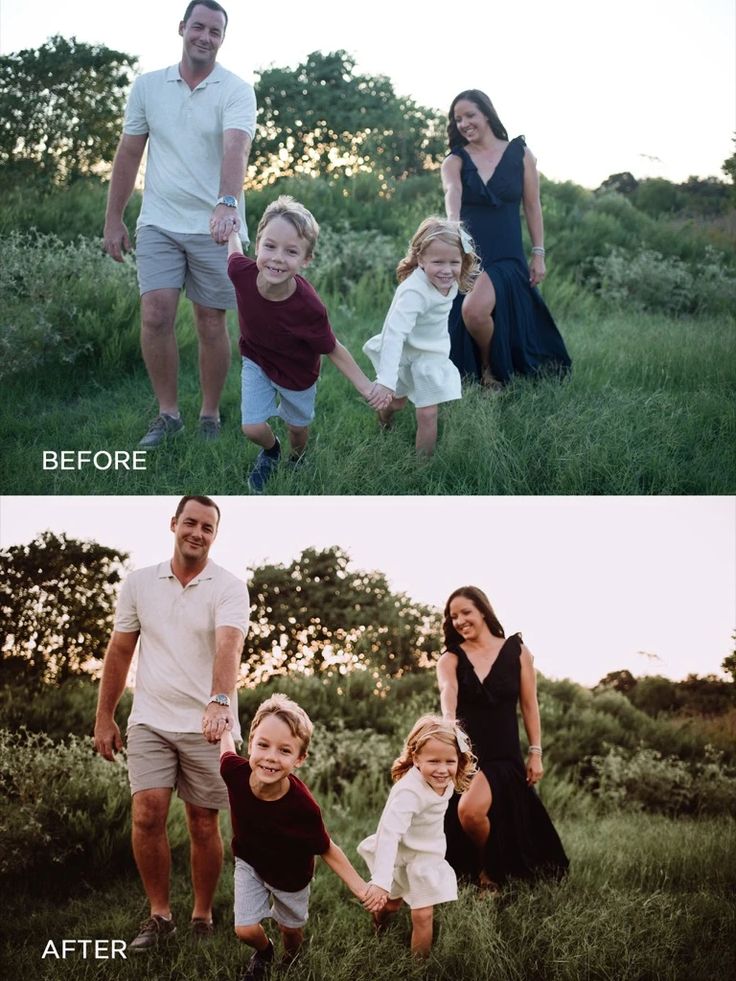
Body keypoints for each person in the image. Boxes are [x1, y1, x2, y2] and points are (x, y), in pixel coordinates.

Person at [93, 495, 250, 951]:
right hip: (151, 720)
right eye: (191, 523)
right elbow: (120, 650)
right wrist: (106, 716)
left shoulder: (229, 586)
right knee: (147, 814)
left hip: (209, 721)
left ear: (215, 536)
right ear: (174, 524)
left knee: (203, 822)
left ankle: (202, 915)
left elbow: (229, 645)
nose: (197, 533)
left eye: (208, 528)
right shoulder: (140, 583)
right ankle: (160, 916)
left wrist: (220, 701)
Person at [103, 1, 256, 447]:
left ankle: (209, 414)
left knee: (211, 321)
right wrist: (114, 218)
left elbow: (236, 148)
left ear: (222, 39)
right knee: (155, 315)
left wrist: (227, 203)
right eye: (199, 27)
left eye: (215, 31)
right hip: (160, 222)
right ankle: (168, 415)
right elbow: (129, 153)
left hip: (216, 223)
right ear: (182, 28)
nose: (205, 37)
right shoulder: (149, 87)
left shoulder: (236, 89)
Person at [227, 195, 391, 492]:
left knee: (297, 429)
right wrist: (232, 231)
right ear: (258, 244)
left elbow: (333, 348)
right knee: (251, 427)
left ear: (306, 260)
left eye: (291, 251)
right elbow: (234, 251)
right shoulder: (241, 273)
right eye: (270, 246)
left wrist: (367, 387)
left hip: (297, 374)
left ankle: (297, 457)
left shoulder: (309, 307)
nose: (277, 258)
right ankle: (271, 451)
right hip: (256, 359)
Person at [219, 694, 384, 979]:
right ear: (250, 744)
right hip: (250, 862)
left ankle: (291, 960)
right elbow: (225, 748)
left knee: (290, 930)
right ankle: (265, 951)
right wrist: (222, 725)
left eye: (284, 750)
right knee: (245, 929)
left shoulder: (303, 807)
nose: (271, 757)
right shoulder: (233, 771)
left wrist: (360, 888)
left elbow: (327, 848)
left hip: (292, 875)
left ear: (300, 758)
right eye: (263, 745)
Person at [436, 587, 568, 889]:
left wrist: (536, 752)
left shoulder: (516, 651)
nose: (459, 621)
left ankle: (489, 871)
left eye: (465, 612)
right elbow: (448, 693)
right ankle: (487, 869)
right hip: (467, 755)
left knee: (469, 811)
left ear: (483, 610)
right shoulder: (450, 658)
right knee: (469, 815)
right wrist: (449, 727)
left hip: (504, 756)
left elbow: (530, 705)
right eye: (452, 616)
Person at [441, 90, 571, 389]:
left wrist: (538, 253)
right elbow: (453, 195)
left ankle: (491, 370)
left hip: (507, 256)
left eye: (470, 115)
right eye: (457, 119)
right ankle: (485, 370)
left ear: (487, 113)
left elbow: (533, 206)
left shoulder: (520, 154)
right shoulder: (454, 161)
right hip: (470, 255)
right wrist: (452, 230)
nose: (463, 123)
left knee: (473, 311)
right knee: (471, 315)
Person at [358, 716, 476, 957]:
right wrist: (381, 880)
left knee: (423, 914)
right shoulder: (409, 792)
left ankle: (418, 969)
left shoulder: (446, 780)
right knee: (390, 904)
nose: (442, 770)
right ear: (416, 758)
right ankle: (379, 926)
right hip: (398, 853)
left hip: (426, 856)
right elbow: (389, 834)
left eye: (449, 761)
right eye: (433, 761)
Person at [362, 217, 480, 456]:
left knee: (427, 413)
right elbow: (394, 334)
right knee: (396, 402)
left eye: (454, 262)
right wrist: (386, 380)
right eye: (438, 262)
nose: (447, 270)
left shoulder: (451, 280)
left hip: (431, 356)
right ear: (421, 259)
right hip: (403, 352)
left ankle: (422, 467)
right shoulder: (414, 292)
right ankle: (385, 423)